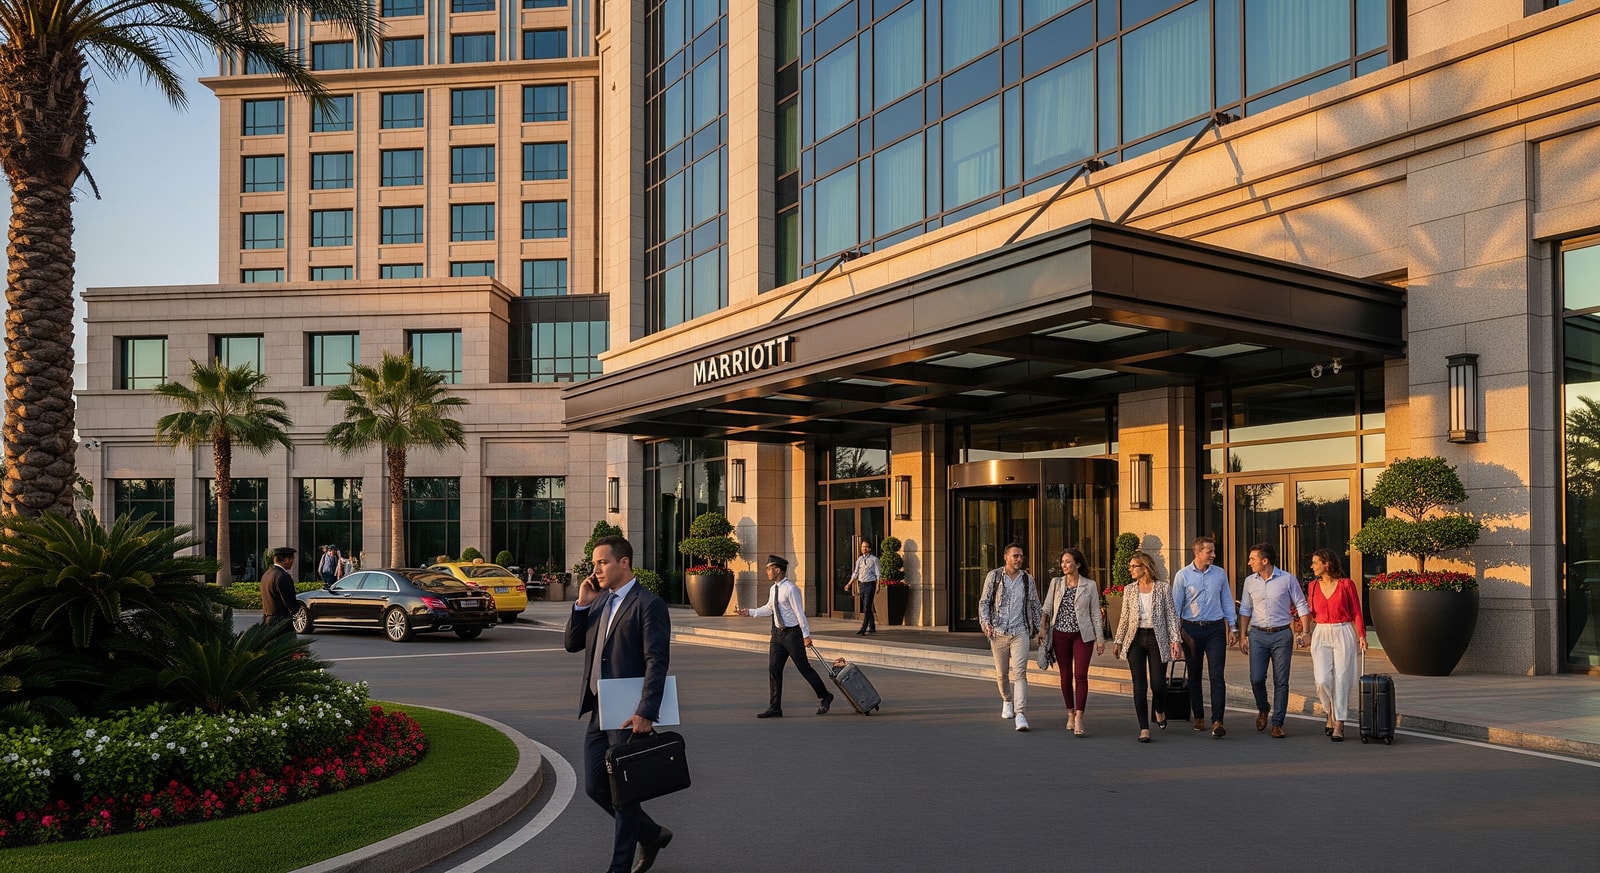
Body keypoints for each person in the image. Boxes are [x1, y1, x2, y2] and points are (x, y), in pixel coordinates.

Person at [564, 535, 674, 873]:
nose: (595, 569)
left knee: (625, 791)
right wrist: (582, 603)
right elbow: (571, 644)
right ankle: (652, 834)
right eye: (594, 564)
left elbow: (657, 660)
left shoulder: (647, 603)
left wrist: (646, 711)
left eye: (602, 562)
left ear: (623, 563)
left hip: (629, 712)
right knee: (596, 786)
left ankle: (619, 868)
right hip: (600, 709)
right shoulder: (598, 601)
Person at [737, 555, 834, 718]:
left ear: (778, 570)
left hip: (792, 635)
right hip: (777, 635)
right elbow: (769, 608)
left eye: (769, 568)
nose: (766, 571)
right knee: (774, 669)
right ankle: (775, 707)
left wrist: (806, 635)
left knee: (804, 668)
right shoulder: (773, 589)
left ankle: (825, 695)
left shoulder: (791, 589)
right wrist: (750, 612)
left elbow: (799, 613)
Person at [1237, 542, 1311, 739]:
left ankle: (1277, 723)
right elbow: (1245, 609)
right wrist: (1243, 635)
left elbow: (1301, 605)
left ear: (1265, 560)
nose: (1249, 562)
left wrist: (1306, 631)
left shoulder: (1287, 579)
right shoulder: (1250, 581)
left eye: (1252, 559)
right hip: (1258, 635)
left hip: (1281, 635)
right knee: (1256, 678)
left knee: (1281, 681)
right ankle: (1263, 707)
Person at [1111, 552, 1183, 743]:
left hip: (1157, 638)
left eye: (1134, 566)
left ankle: (1159, 709)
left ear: (1145, 567)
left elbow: (1171, 616)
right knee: (1139, 685)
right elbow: (1124, 618)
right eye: (1130, 566)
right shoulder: (1129, 590)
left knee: (1158, 685)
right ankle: (1144, 728)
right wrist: (1118, 641)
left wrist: (1175, 641)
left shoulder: (1163, 588)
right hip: (1135, 639)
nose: (1130, 569)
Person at [1172, 536, 1238, 738]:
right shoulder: (1182, 576)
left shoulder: (1219, 574)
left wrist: (1232, 627)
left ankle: (1218, 720)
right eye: (1209, 551)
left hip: (1215, 629)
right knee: (1194, 674)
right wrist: (1175, 638)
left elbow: (1226, 599)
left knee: (1217, 675)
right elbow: (1175, 607)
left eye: (1213, 551)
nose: (1214, 555)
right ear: (1197, 552)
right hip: (1191, 630)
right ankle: (1199, 716)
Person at [1040, 547, 1104, 736]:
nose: (1064, 565)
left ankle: (1079, 717)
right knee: (1065, 676)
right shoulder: (1056, 583)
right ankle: (1069, 712)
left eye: (1068, 562)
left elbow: (1095, 613)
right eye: (1062, 562)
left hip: (1082, 635)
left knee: (1081, 675)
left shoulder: (1089, 585)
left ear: (1078, 564)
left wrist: (1100, 639)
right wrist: (1043, 629)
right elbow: (1047, 607)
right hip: (1060, 634)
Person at [979, 542, 1042, 732]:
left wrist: (1041, 631)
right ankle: (1007, 700)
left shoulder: (1027, 580)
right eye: (1015, 556)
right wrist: (985, 623)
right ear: (1006, 557)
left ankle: (1020, 713)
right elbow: (984, 602)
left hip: (1020, 631)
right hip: (997, 632)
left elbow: (1035, 605)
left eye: (1021, 556)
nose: (1019, 559)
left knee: (1021, 672)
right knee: (1002, 673)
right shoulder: (995, 576)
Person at [1305, 548, 1366, 741]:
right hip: (1321, 632)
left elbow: (1356, 611)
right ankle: (1328, 711)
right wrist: (1303, 630)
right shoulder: (1313, 586)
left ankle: (1339, 722)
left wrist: (1362, 635)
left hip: (1342, 631)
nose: (1312, 566)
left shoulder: (1346, 585)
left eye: (1315, 562)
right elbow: (1311, 611)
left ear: (1327, 564)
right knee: (1322, 679)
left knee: (1342, 678)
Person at [848, 539, 880, 635]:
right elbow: (855, 573)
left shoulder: (874, 559)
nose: (864, 548)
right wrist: (849, 583)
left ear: (869, 548)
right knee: (867, 606)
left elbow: (878, 574)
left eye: (866, 547)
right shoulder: (859, 559)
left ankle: (863, 628)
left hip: (870, 585)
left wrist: (878, 586)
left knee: (866, 606)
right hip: (861, 584)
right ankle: (872, 625)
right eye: (862, 546)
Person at [260, 547, 298, 624]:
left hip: (267, 619)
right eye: (292, 559)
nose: (293, 562)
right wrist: (297, 608)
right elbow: (289, 601)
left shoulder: (267, 574)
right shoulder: (283, 576)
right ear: (286, 560)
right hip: (280, 621)